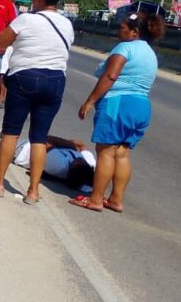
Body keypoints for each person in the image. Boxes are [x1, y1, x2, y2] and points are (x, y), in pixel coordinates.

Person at [0, 0, 74, 204]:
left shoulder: (27, 19)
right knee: (39, 138)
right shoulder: (67, 24)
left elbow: (0, 40)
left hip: (26, 77)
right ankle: (33, 192)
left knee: (11, 132)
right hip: (56, 80)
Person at [69, 12, 164, 213]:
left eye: (122, 27)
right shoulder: (150, 53)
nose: (118, 31)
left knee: (105, 152)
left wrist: (90, 101)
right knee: (122, 153)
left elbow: (111, 75)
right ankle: (116, 199)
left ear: (134, 32)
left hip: (117, 102)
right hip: (141, 105)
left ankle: (95, 199)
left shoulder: (125, 47)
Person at [0, 134, 96, 193]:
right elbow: (81, 145)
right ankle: (4, 141)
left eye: (78, 163)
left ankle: (1, 146)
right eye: (82, 162)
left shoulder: (58, 165)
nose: (79, 159)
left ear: (71, 170)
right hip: (29, 145)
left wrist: (70, 145)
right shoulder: (89, 163)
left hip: (21, 151)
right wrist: (74, 145)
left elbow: (44, 142)